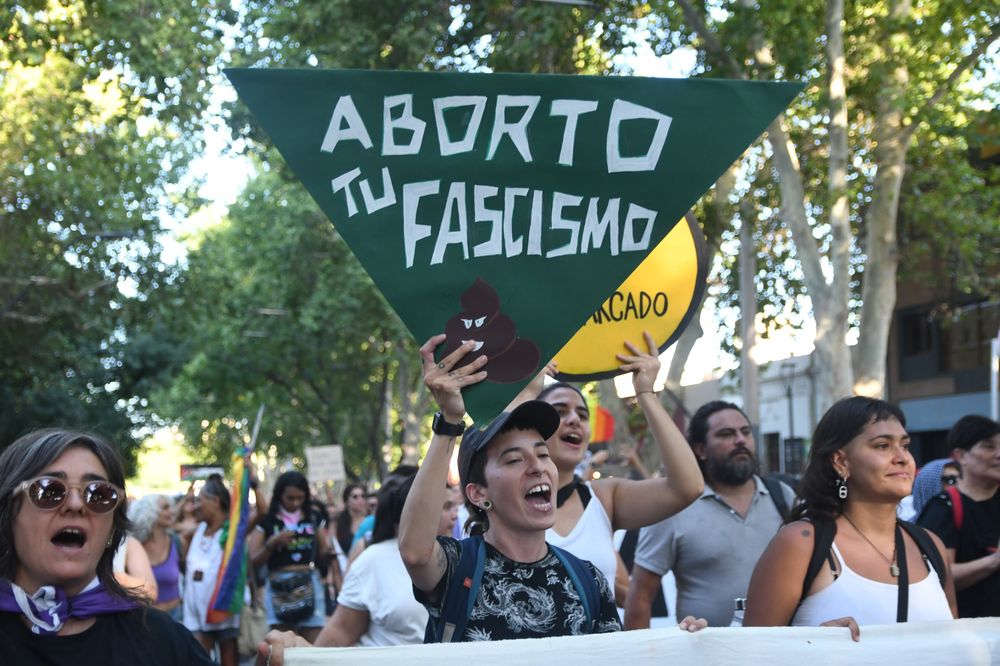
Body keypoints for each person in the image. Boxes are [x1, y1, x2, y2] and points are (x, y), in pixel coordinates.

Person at [744, 396, 956, 639]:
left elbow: (955, 647)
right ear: (841, 461)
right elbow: (751, 652)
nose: (902, 457)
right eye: (882, 446)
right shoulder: (802, 543)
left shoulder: (930, 546)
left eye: (905, 445)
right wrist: (810, 645)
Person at [0, 429, 212, 664]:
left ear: (112, 529)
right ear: (8, 514)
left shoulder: (165, 641)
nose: (76, 504)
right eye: (49, 490)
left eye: (99, 494)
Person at [532, 333, 704, 606]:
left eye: (582, 414)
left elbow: (688, 487)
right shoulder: (504, 495)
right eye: (560, 411)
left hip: (602, 649)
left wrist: (646, 392)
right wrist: (527, 392)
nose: (574, 419)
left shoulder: (603, 498)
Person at [624, 400, 796, 628]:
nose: (740, 440)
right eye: (726, 434)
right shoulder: (673, 508)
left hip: (782, 653)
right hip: (704, 656)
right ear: (701, 449)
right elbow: (641, 598)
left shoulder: (783, 497)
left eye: (746, 432)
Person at [917, 414, 1000, 618]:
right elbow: (936, 577)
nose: (999, 454)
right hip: (974, 636)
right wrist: (993, 561)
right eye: (989, 447)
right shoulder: (944, 508)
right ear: (960, 456)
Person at [248, 471, 329, 641]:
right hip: (279, 586)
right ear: (279, 496)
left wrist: (328, 554)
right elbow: (252, 561)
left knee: (312, 642)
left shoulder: (314, 518)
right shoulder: (267, 522)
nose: (295, 503)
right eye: (290, 498)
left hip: (309, 582)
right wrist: (272, 543)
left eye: (300, 498)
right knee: (282, 643)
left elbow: (324, 549)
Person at [183, 473, 242, 665]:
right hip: (196, 612)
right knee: (199, 660)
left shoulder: (232, 532)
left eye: (199, 501)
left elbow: (261, 513)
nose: (195, 506)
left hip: (223, 610)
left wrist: (252, 479)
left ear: (215, 501)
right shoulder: (198, 530)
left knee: (228, 658)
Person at [129, 494, 185, 621]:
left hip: (175, 618)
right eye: (165, 508)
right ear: (150, 512)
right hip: (142, 620)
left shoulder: (177, 542)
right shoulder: (133, 547)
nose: (172, 511)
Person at [334, 483, 368, 556]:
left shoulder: (371, 520)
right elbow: (334, 548)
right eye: (355, 497)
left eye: (363, 496)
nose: (360, 500)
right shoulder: (338, 523)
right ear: (346, 501)